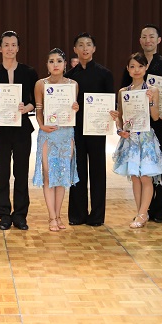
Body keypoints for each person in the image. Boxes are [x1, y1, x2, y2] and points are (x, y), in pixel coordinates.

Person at [119, 24, 162, 223]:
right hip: (134, 129)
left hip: (158, 124)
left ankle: (159, 211)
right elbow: (123, 99)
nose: (148, 40)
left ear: (158, 40)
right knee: (138, 172)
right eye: (144, 37)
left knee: (160, 166)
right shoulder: (131, 70)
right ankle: (143, 210)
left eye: (152, 36)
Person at [0, 31, 38, 230]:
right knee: (2, 173)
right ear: (0, 49)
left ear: (18, 48)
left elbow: (35, 101)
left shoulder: (29, 72)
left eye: (13, 44)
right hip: (1, 130)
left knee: (21, 173)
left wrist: (27, 108)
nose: (10, 48)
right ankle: (4, 215)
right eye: (6, 45)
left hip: (22, 129)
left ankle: (20, 215)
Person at [111, 53, 162, 228]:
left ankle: (143, 214)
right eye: (132, 66)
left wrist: (151, 102)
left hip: (146, 137)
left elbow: (155, 117)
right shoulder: (123, 92)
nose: (136, 70)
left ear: (146, 68)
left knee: (145, 177)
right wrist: (119, 129)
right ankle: (140, 213)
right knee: (135, 177)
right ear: (128, 69)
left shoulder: (152, 90)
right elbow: (121, 117)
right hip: (131, 139)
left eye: (140, 66)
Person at [64, 32, 114, 227]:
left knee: (98, 172)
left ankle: (97, 216)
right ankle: (77, 215)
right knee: (77, 171)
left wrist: (112, 113)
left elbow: (111, 102)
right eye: (81, 45)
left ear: (94, 48)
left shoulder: (105, 74)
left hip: (97, 130)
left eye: (88, 44)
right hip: (76, 130)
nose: (85, 48)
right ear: (75, 49)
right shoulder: (69, 77)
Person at [32, 48, 79, 232]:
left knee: (62, 175)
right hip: (48, 134)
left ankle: (58, 215)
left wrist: (75, 108)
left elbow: (72, 110)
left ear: (65, 64)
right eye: (51, 61)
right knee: (48, 175)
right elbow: (39, 110)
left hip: (66, 133)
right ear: (47, 65)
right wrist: (41, 125)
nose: (55, 64)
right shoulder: (40, 84)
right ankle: (51, 216)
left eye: (59, 61)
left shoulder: (73, 84)